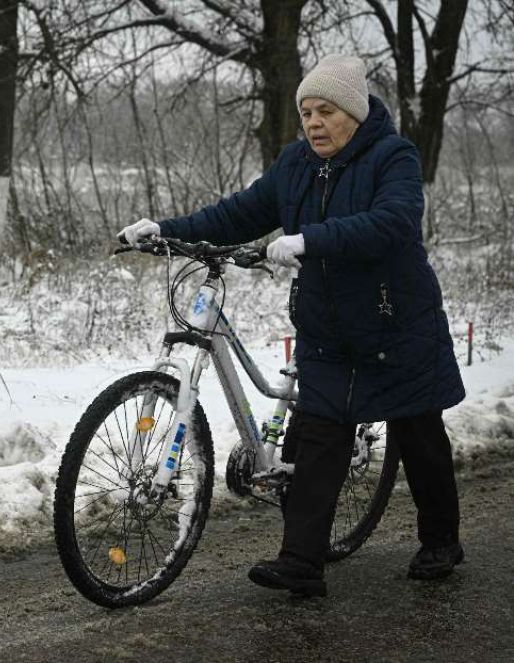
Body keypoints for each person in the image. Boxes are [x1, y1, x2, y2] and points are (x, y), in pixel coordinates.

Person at [118, 54, 466, 597]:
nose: (314, 122)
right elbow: (236, 214)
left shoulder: (392, 157)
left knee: (418, 431)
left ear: (353, 113)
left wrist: (310, 239)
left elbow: (393, 222)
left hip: (395, 324)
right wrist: (165, 229)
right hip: (327, 329)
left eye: (326, 110)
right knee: (322, 437)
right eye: (306, 112)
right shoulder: (295, 164)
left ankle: (441, 539)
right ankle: (301, 562)